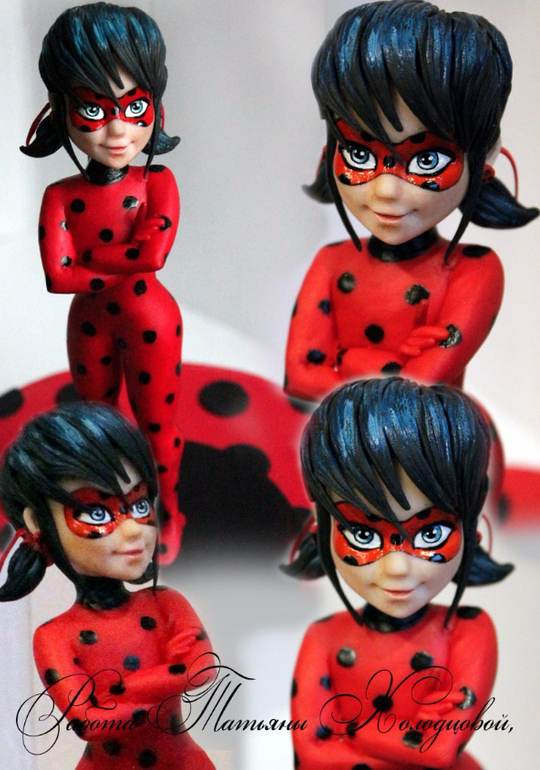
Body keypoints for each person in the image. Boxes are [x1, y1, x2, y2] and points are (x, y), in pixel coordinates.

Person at [284, 0, 538, 401]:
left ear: (484, 161)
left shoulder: (474, 271)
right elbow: (299, 376)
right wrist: (391, 366)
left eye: (427, 160)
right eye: (359, 154)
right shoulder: (331, 261)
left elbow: (421, 386)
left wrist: (348, 360)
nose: (386, 191)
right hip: (331, 434)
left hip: (427, 439)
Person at [22, 2, 184, 563]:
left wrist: (92, 258)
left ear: (156, 104)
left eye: (135, 107)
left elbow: (153, 256)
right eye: (93, 109)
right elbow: (57, 276)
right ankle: (109, 512)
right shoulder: (60, 195)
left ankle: (169, 511)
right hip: (88, 324)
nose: (119, 130)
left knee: (157, 426)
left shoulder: (158, 181)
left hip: (151, 321)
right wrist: (122, 258)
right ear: (59, 109)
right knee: (95, 426)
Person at [285, 377, 512, 769]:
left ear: (470, 532)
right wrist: (403, 737)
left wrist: (355, 729)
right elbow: (311, 752)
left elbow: (440, 750)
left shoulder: (470, 630)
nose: (397, 568)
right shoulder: (323, 636)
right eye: (363, 534)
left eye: (430, 533)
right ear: (321, 532)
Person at [0, 402, 215, 770]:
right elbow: (88, 722)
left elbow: (202, 668)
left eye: (139, 505)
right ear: (37, 523)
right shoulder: (54, 636)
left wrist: (121, 690)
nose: (133, 531)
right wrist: (163, 681)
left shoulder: (166, 603)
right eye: (96, 512)